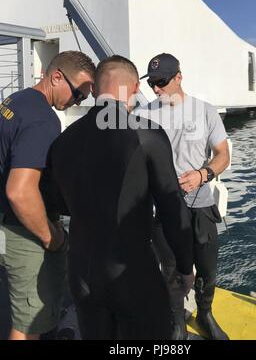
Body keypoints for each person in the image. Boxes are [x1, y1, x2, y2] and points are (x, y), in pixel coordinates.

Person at [45, 55, 194, 340]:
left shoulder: (63, 141)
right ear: (134, 87)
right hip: (131, 275)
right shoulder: (145, 133)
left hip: (81, 275)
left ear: (97, 89)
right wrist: (185, 267)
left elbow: (56, 202)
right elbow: (172, 207)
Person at [0, 50, 96, 340]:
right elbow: (19, 191)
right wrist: (50, 237)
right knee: (30, 323)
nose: (78, 101)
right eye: (78, 93)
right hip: (23, 231)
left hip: (6, 223)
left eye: (84, 98)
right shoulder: (44, 120)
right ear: (55, 77)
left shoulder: (15, 101)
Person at [135, 53, 230, 340]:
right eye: (152, 83)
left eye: (161, 81)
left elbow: (222, 155)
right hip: (162, 206)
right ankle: (176, 319)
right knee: (172, 268)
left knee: (207, 267)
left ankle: (205, 313)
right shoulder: (144, 115)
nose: (156, 89)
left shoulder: (205, 111)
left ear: (179, 76)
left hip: (200, 203)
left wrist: (203, 175)